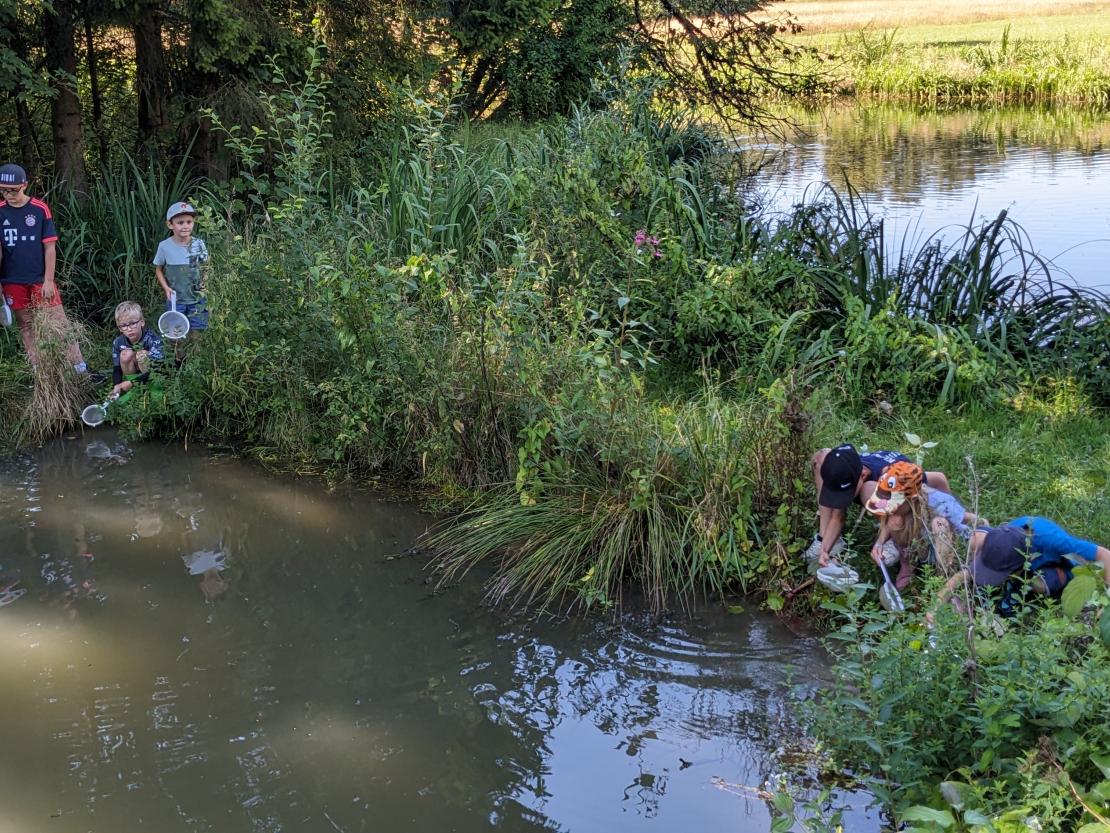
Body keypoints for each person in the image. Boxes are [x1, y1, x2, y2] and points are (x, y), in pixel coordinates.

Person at [927, 517, 1110, 624]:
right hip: (1019, 563)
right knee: (977, 550)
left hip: (1058, 567)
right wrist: (934, 607)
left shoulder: (1052, 540)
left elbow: (1104, 554)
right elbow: (961, 576)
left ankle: (1020, 588)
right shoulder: (987, 541)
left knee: (1038, 584)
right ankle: (999, 592)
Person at [0, 162, 89, 374]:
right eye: (3, 190)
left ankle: (80, 369)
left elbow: (50, 247)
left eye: (13, 190)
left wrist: (49, 280)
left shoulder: (39, 209)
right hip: (12, 279)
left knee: (59, 323)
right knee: (26, 325)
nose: (8, 195)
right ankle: (40, 371)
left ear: (25, 185)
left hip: (40, 278)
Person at [805, 443, 952, 567]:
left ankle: (896, 539)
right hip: (874, 486)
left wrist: (950, 512)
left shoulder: (894, 476)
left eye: (846, 494)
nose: (841, 501)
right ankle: (825, 537)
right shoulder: (846, 470)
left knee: (870, 491)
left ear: (862, 475)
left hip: (904, 506)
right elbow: (837, 517)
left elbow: (939, 478)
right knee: (822, 456)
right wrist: (825, 549)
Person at [866, 461, 987, 589]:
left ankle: (945, 574)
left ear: (912, 500)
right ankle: (907, 563)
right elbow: (888, 520)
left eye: (893, 506)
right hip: (917, 543)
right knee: (895, 521)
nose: (890, 511)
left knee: (939, 524)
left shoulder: (939, 503)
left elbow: (964, 517)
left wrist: (981, 523)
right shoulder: (899, 511)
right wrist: (879, 543)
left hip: (945, 544)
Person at [153, 201, 208, 338]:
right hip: (176, 300)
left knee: (197, 334)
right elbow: (158, 269)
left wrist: (204, 282)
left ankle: (195, 358)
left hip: (196, 298)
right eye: (180, 222)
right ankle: (179, 359)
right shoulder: (164, 246)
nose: (185, 226)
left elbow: (207, 265)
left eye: (189, 222)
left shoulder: (198, 243)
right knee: (176, 335)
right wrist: (166, 288)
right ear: (170, 224)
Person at [109, 300, 164, 398]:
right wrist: (117, 385)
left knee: (142, 355)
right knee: (125, 354)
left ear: (142, 322)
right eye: (124, 326)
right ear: (120, 328)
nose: (129, 329)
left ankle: (154, 388)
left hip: (153, 372)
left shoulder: (152, 338)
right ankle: (134, 389)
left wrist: (132, 382)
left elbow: (159, 368)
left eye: (132, 323)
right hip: (133, 373)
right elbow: (117, 368)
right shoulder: (118, 342)